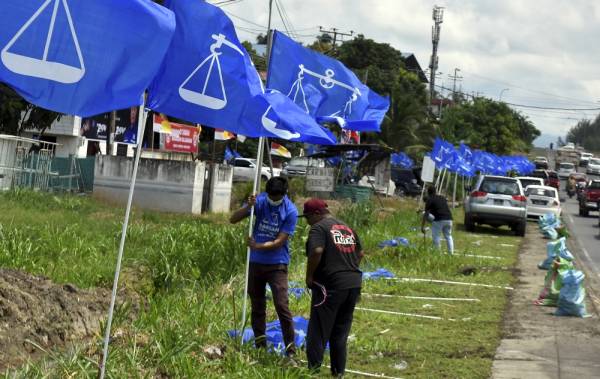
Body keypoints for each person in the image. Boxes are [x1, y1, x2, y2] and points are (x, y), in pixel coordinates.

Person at [229, 177, 298, 355]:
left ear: (284, 194)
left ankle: (290, 350)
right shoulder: (259, 202)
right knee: (257, 305)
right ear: (266, 194)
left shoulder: (290, 211)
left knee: (282, 306)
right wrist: (248, 207)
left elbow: (279, 241)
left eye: (277, 199)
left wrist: (257, 245)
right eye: (271, 198)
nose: (273, 201)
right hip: (256, 263)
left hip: (277, 264)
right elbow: (233, 219)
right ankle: (260, 346)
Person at [303, 198, 364, 376]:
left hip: (330, 286)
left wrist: (310, 276)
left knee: (318, 331)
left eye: (307, 217)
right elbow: (360, 253)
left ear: (316, 214)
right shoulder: (347, 227)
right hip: (353, 283)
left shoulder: (319, 228)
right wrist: (347, 268)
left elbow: (316, 251)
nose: (307, 222)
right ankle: (338, 373)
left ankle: (312, 372)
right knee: (340, 332)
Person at [421, 186, 454, 254]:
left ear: (428, 192)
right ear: (436, 191)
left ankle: (437, 253)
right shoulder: (442, 197)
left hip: (439, 219)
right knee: (448, 236)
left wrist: (422, 226)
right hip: (449, 219)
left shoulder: (429, 200)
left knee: (436, 236)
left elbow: (426, 214)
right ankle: (451, 253)